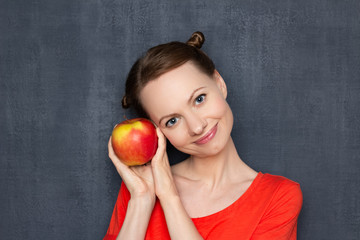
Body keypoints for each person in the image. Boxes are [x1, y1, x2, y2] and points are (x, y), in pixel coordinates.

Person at [103, 32, 302, 240]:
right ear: (157, 132)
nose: (197, 127)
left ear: (219, 84)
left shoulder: (278, 197)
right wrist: (142, 200)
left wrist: (170, 197)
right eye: (172, 120)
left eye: (199, 99)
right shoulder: (140, 187)